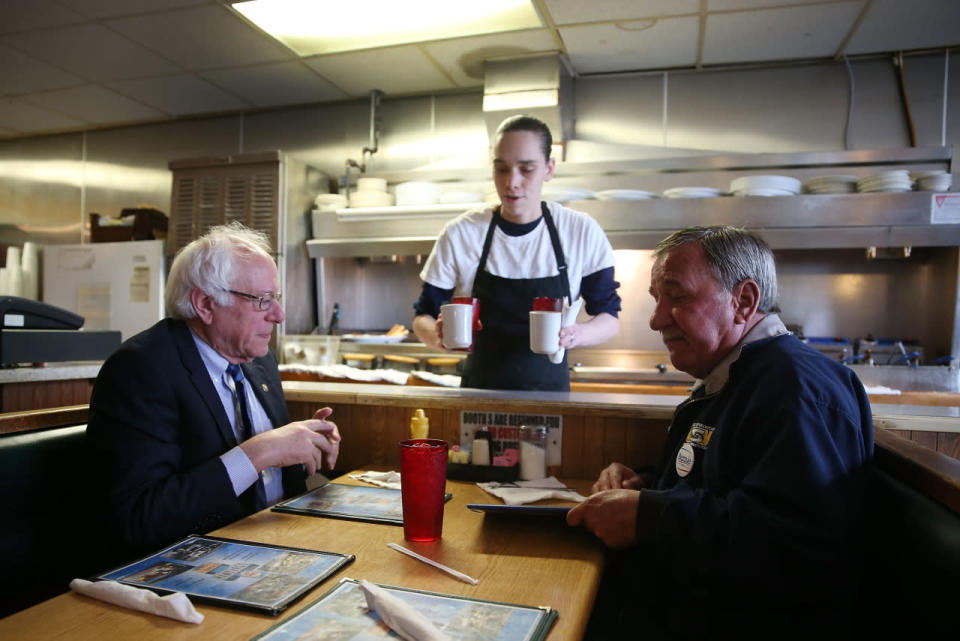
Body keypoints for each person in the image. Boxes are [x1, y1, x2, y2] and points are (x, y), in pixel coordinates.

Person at [566, 225, 874, 639]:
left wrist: (649, 515)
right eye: (658, 301)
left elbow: (796, 550)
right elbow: (721, 486)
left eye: (677, 297)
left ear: (743, 301)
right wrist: (647, 486)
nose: (657, 320)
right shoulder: (735, 375)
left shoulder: (796, 389)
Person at [87, 222, 340, 557]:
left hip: (276, 546)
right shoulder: (142, 369)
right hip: (189, 566)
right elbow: (138, 520)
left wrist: (305, 444)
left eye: (276, 298)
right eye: (262, 301)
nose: (278, 315)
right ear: (205, 305)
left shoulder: (259, 361)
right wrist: (258, 452)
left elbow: (273, 487)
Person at [412, 114, 621, 391]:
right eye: (502, 169)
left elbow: (609, 316)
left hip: (551, 400)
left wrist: (577, 334)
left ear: (548, 169)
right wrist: (439, 337)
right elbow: (422, 316)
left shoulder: (580, 231)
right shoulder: (461, 233)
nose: (512, 182)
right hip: (478, 398)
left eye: (527, 169)